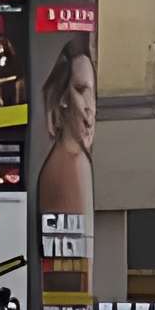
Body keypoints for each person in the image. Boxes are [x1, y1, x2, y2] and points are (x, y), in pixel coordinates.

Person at [36, 39, 98, 222]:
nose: (90, 107)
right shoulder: (74, 166)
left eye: (92, 94)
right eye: (80, 90)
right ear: (62, 98)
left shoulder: (66, 159)